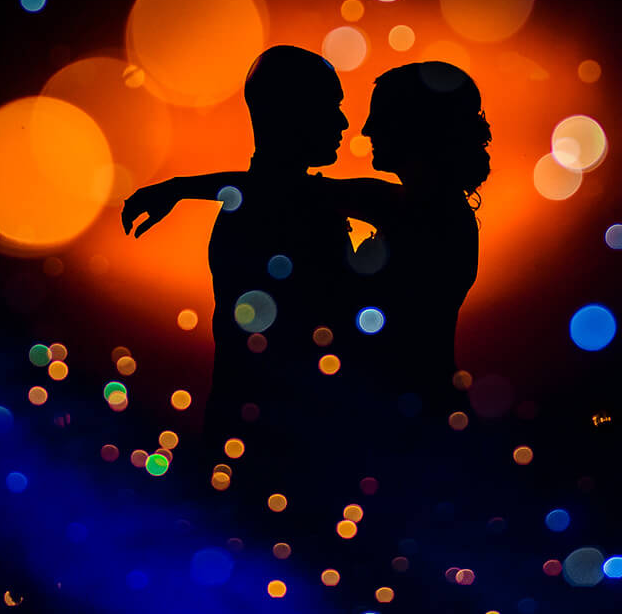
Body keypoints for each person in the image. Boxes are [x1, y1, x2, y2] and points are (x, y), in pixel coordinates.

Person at [124, 59, 493, 452]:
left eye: (380, 116)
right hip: (409, 422)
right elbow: (287, 188)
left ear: (417, 126)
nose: (364, 128)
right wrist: (178, 188)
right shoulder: (421, 207)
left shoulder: (420, 212)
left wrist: (177, 188)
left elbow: (285, 189)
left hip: (414, 430)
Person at [124, 46, 353, 494]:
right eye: (332, 108)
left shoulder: (273, 203)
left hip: (260, 438)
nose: (343, 123)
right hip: (281, 448)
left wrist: (180, 186)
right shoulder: (281, 212)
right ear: (291, 115)